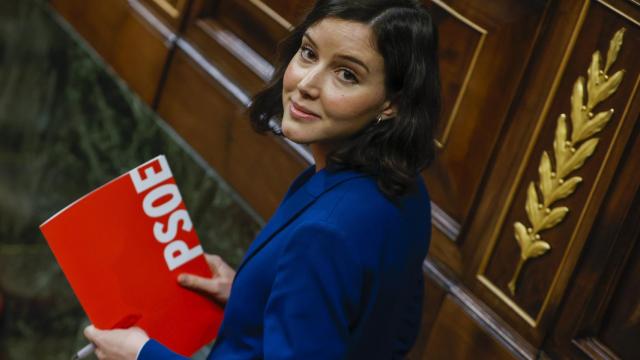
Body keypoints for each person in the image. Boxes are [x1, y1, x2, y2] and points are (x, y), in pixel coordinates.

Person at [83, 0, 440, 358]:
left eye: (347, 74)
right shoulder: (407, 188)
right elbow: (383, 328)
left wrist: (143, 355)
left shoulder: (324, 233)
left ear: (391, 103)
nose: (306, 84)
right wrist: (248, 295)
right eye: (309, 53)